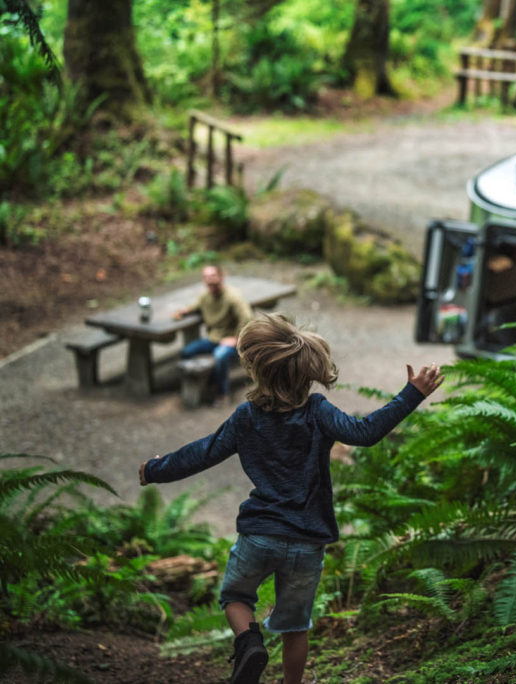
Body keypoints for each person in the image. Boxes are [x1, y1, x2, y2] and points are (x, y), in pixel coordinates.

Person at [138, 313, 444, 684]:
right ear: (305, 369)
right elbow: (365, 432)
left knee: (235, 598)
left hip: (259, 535)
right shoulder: (318, 411)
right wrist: (413, 393)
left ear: (256, 368)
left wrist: (155, 469)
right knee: (295, 626)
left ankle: (249, 643)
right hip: (306, 541)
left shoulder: (246, 417)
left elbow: (203, 453)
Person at [175, 264, 253, 403]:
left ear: (221, 277)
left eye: (212, 276)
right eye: (206, 277)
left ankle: (223, 393)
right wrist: (184, 311)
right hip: (213, 339)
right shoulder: (206, 297)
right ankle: (200, 383)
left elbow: (247, 318)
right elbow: (195, 306)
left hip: (232, 341)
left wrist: (236, 339)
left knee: (220, 355)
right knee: (186, 352)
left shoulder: (233, 297)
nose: (209, 280)